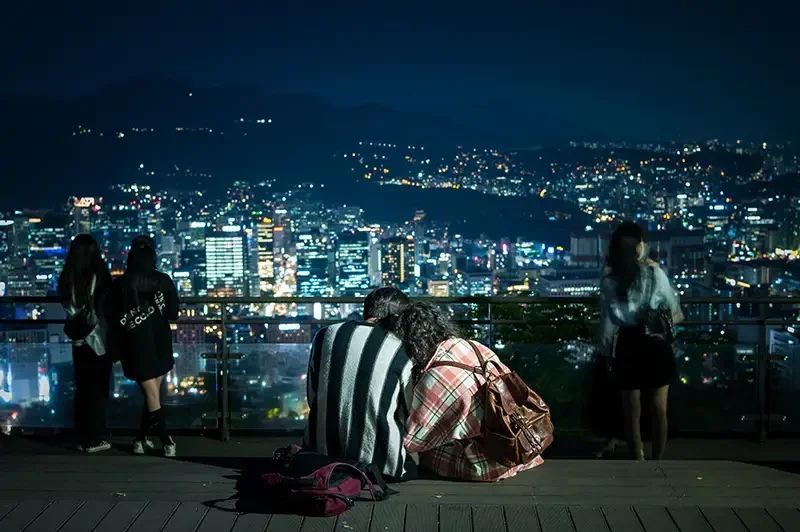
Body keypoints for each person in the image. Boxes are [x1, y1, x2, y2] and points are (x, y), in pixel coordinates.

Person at [393, 302, 544, 482]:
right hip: (516, 445)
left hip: (483, 463)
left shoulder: (435, 377)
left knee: (430, 452)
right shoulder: (473, 346)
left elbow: (411, 440)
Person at [304, 287, 414, 480]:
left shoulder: (323, 336)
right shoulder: (401, 349)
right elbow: (409, 411)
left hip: (320, 460)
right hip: (380, 468)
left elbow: (312, 396)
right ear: (398, 317)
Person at [599, 221, 684, 461]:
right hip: (651, 341)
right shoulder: (650, 273)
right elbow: (674, 310)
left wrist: (606, 352)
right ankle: (653, 459)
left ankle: (640, 457)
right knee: (656, 408)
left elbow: (608, 320)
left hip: (631, 342)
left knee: (634, 409)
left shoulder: (611, 279)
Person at [106, 236, 179, 457]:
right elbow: (172, 313)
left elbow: (111, 317)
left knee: (152, 395)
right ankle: (167, 441)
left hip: (135, 346)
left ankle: (141, 440)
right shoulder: (164, 280)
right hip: (160, 343)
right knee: (154, 394)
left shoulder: (120, 284)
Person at [58, 234, 113, 453]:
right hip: (98, 339)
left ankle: (83, 434)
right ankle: (95, 437)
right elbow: (108, 305)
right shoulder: (99, 275)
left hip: (77, 338)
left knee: (82, 388)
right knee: (98, 389)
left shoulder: (66, 277)